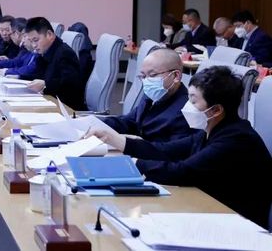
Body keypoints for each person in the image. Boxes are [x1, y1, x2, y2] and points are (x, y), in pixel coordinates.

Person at [92, 66, 272, 228]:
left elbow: (183, 171)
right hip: (209, 209)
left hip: (238, 224)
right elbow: (165, 150)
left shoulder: (236, 139)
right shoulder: (209, 131)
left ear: (216, 110)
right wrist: (115, 139)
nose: (187, 106)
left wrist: (134, 164)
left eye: (194, 101)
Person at [100, 48, 193, 142]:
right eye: (143, 76)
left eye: (152, 75)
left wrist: (127, 144)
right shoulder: (153, 94)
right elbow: (130, 121)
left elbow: (171, 149)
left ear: (176, 76)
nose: (147, 81)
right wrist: (98, 123)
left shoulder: (185, 111)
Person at [23, 17, 85, 110]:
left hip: (67, 109)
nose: (34, 45)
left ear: (49, 35)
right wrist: (19, 77)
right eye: (31, 41)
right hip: (51, 101)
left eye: (36, 40)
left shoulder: (64, 53)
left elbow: (69, 84)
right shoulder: (45, 52)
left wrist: (45, 84)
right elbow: (37, 73)